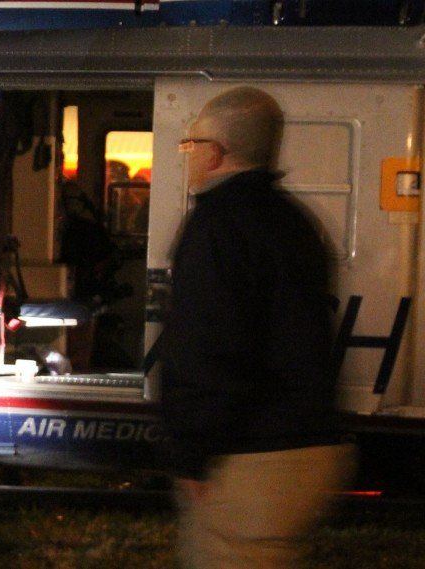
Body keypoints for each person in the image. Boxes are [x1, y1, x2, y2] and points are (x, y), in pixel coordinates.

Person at [163, 87, 355, 568]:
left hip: (250, 458)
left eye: (189, 146)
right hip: (312, 450)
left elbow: (207, 349)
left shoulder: (216, 225)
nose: (186, 158)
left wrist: (193, 454)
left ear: (214, 153)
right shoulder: (295, 221)